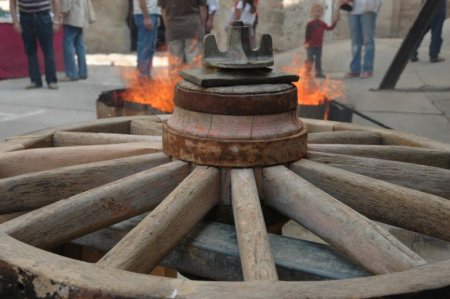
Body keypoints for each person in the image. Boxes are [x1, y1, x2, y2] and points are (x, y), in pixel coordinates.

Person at [9, 0, 61, 89]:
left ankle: (51, 80)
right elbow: (12, 3)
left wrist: (56, 21)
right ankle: (35, 81)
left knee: (48, 50)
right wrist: (16, 22)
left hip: (43, 17)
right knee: (30, 51)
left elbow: (56, 2)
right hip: (26, 19)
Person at [340, 0, 383, 79]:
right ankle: (355, 69)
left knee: (368, 40)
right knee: (355, 42)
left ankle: (368, 69)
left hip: (369, 8)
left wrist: (378, 5)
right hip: (352, 10)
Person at [157, 0, 207, 66]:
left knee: (175, 63)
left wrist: (168, 26)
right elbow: (202, 8)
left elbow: (163, 10)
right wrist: (202, 26)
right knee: (194, 63)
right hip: (193, 28)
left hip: (173, 29)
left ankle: (177, 76)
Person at [60, 0, 94, 81]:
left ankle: (71, 73)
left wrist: (60, 14)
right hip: (81, 17)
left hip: (72, 18)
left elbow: (66, 4)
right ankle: (83, 72)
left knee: (68, 44)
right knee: (79, 45)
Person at [304, 4, 340, 78]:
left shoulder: (322, 24)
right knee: (310, 59)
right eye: (315, 12)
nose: (317, 13)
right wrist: (306, 43)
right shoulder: (310, 24)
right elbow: (307, 35)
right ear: (312, 13)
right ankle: (307, 72)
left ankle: (318, 72)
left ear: (322, 13)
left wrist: (335, 21)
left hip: (319, 46)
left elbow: (330, 28)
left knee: (318, 60)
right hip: (311, 46)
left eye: (319, 12)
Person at [133, 0, 160, 78]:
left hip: (152, 14)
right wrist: (147, 17)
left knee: (150, 47)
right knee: (145, 47)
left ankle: (147, 74)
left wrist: (157, 15)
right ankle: (142, 75)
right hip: (145, 15)